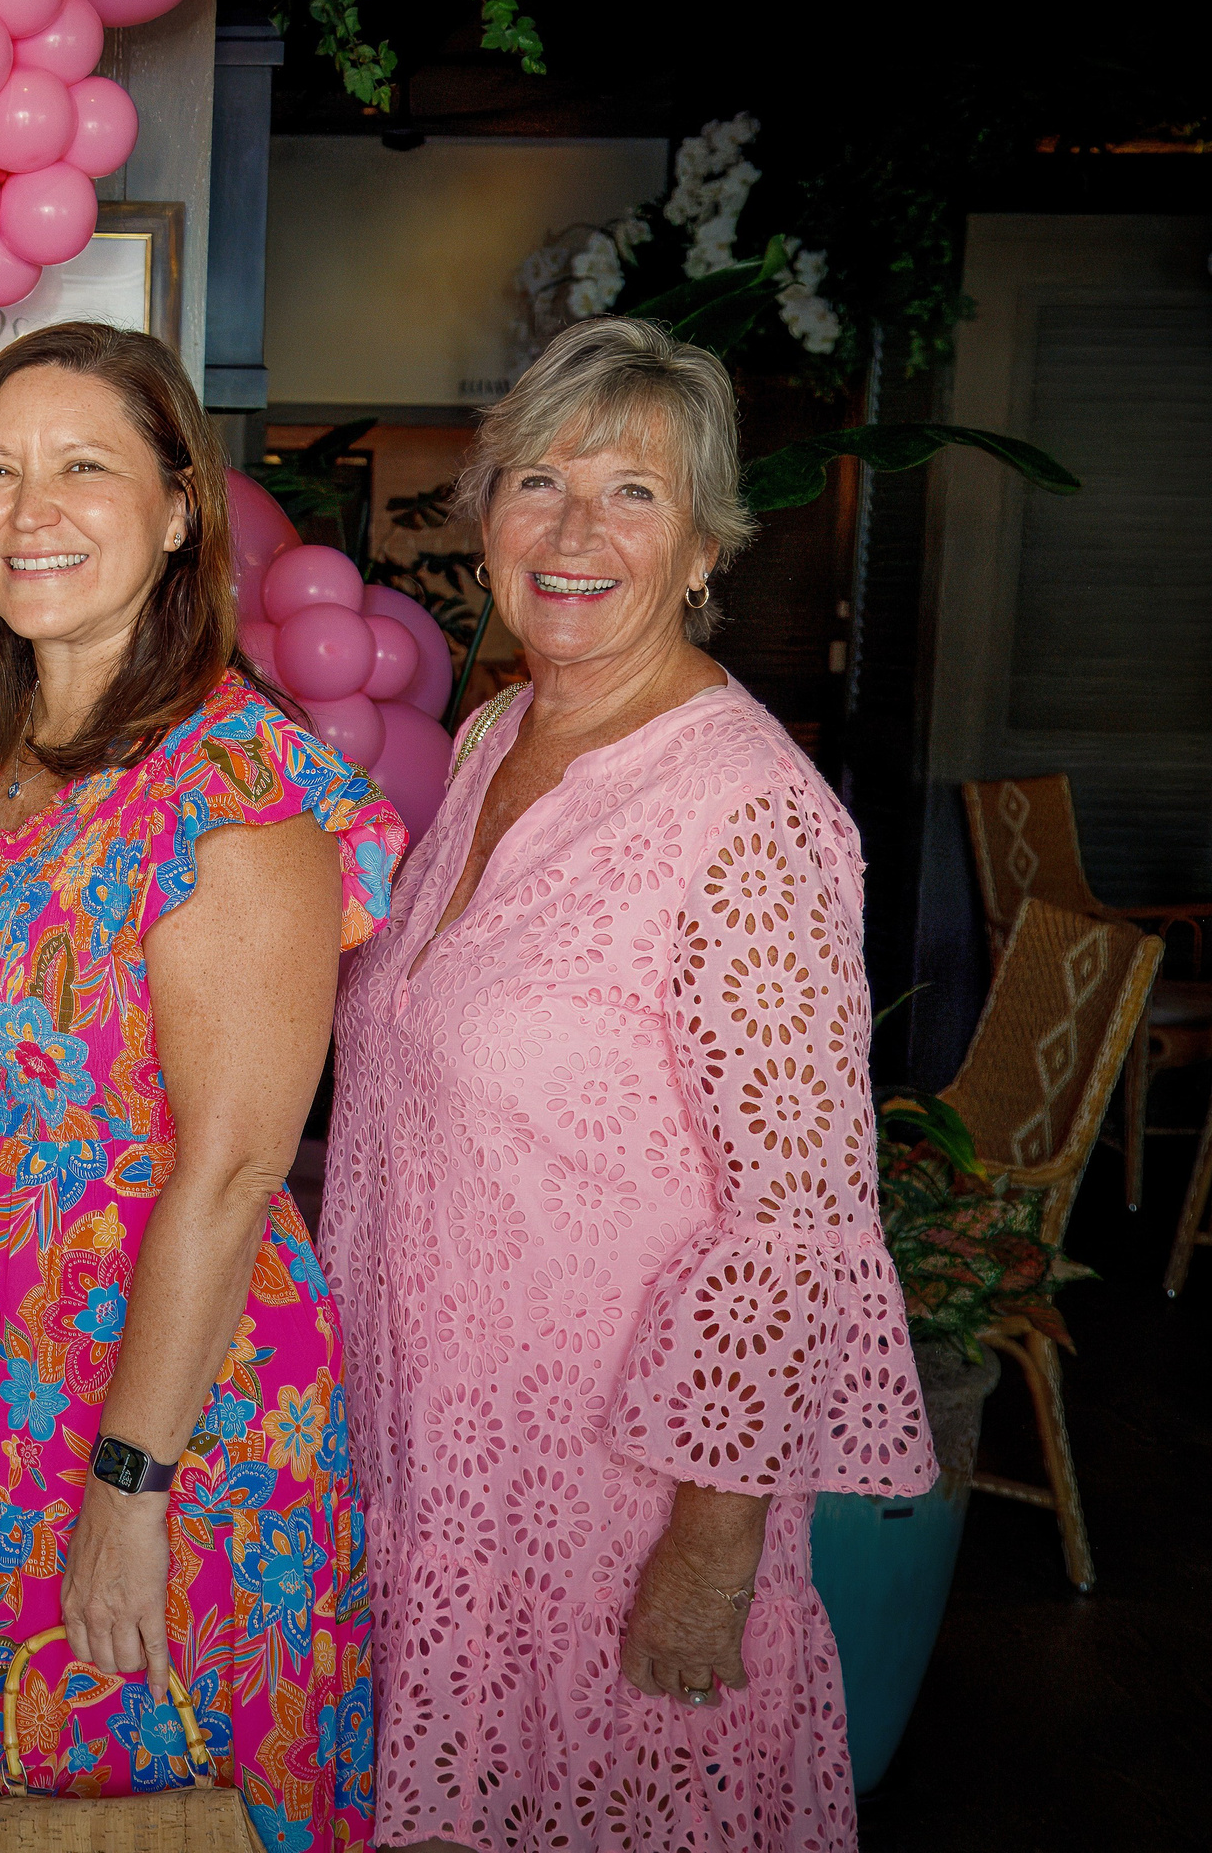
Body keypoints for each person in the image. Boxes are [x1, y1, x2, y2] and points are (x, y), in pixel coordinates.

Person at [320, 316, 936, 1853]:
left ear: (710, 545)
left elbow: (798, 1220)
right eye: (540, 482)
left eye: (634, 493)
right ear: (485, 519)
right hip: (433, 1451)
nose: (576, 530)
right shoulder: (490, 737)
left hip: (613, 1497)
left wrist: (712, 1548)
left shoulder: (746, 815)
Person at [0, 323, 407, 1852]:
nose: (29, 508)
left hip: (135, 1410)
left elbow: (235, 1170)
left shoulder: (237, 792)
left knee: (116, 1796)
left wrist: (129, 1493)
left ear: (183, 506)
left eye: (83, 467)